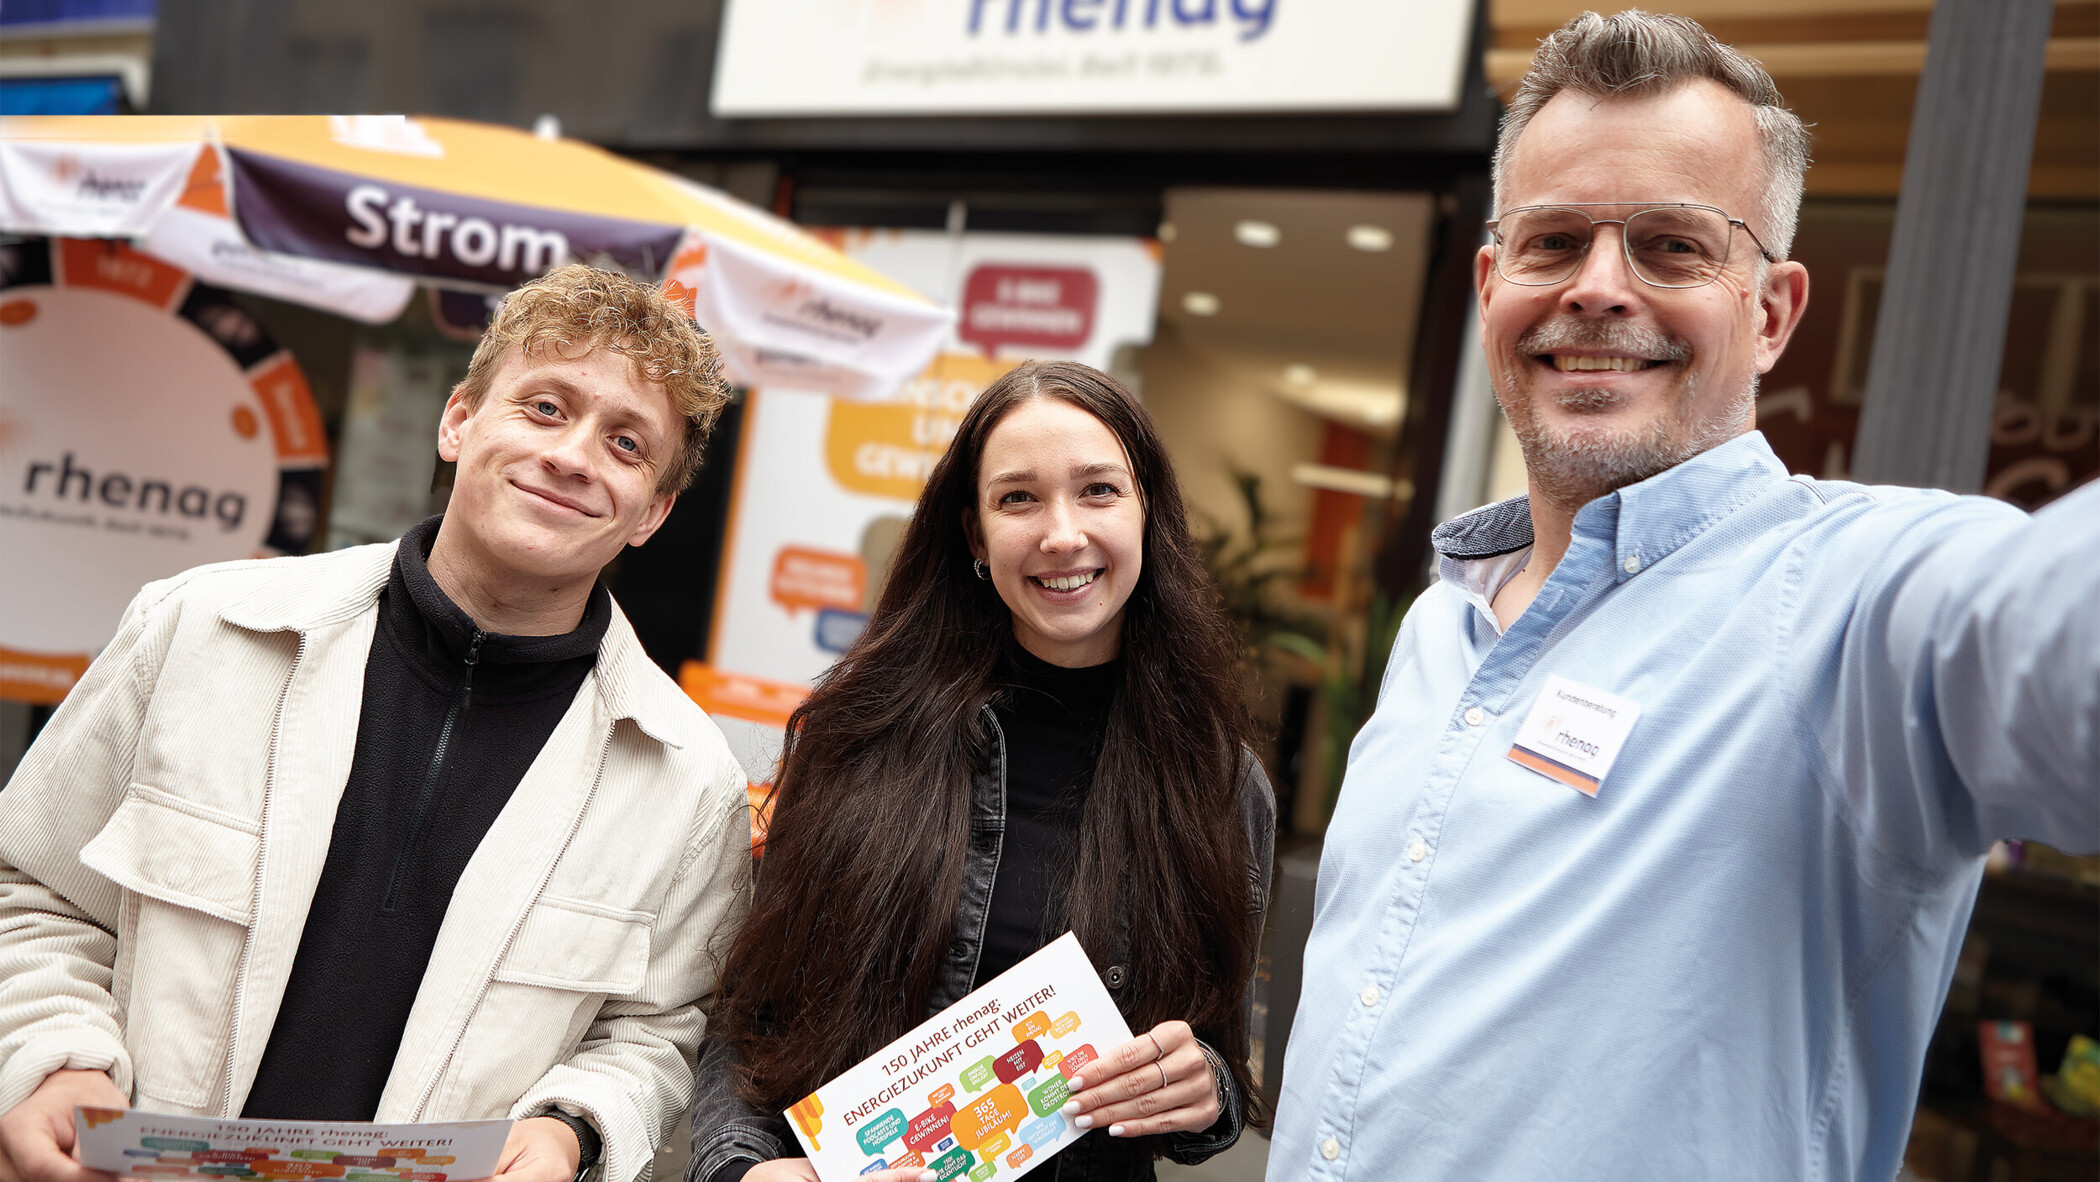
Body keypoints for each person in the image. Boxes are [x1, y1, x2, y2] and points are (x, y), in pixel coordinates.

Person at [1267, 13, 2099, 1182]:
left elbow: (2047, 635)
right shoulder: (1440, 623)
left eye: (1671, 246)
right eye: (1554, 241)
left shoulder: (1855, 604)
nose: (1600, 288)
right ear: (1492, 283)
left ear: (1772, 313)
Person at [0, 266, 754, 1182]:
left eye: (626, 444)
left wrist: (572, 1129)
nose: (572, 456)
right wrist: (60, 1059)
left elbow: (653, 1033)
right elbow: (34, 892)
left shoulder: (688, 783)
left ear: (654, 513)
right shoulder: (200, 630)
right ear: (458, 420)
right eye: (545, 408)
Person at [687, 361, 1276, 1182]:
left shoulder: (1219, 785)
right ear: (974, 533)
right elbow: (749, 1016)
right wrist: (741, 1170)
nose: (1062, 534)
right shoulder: (857, 736)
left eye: (1098, 491)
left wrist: (1203, 1086)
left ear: (1148, 512)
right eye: (1019, 498)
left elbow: (1217, 1070)